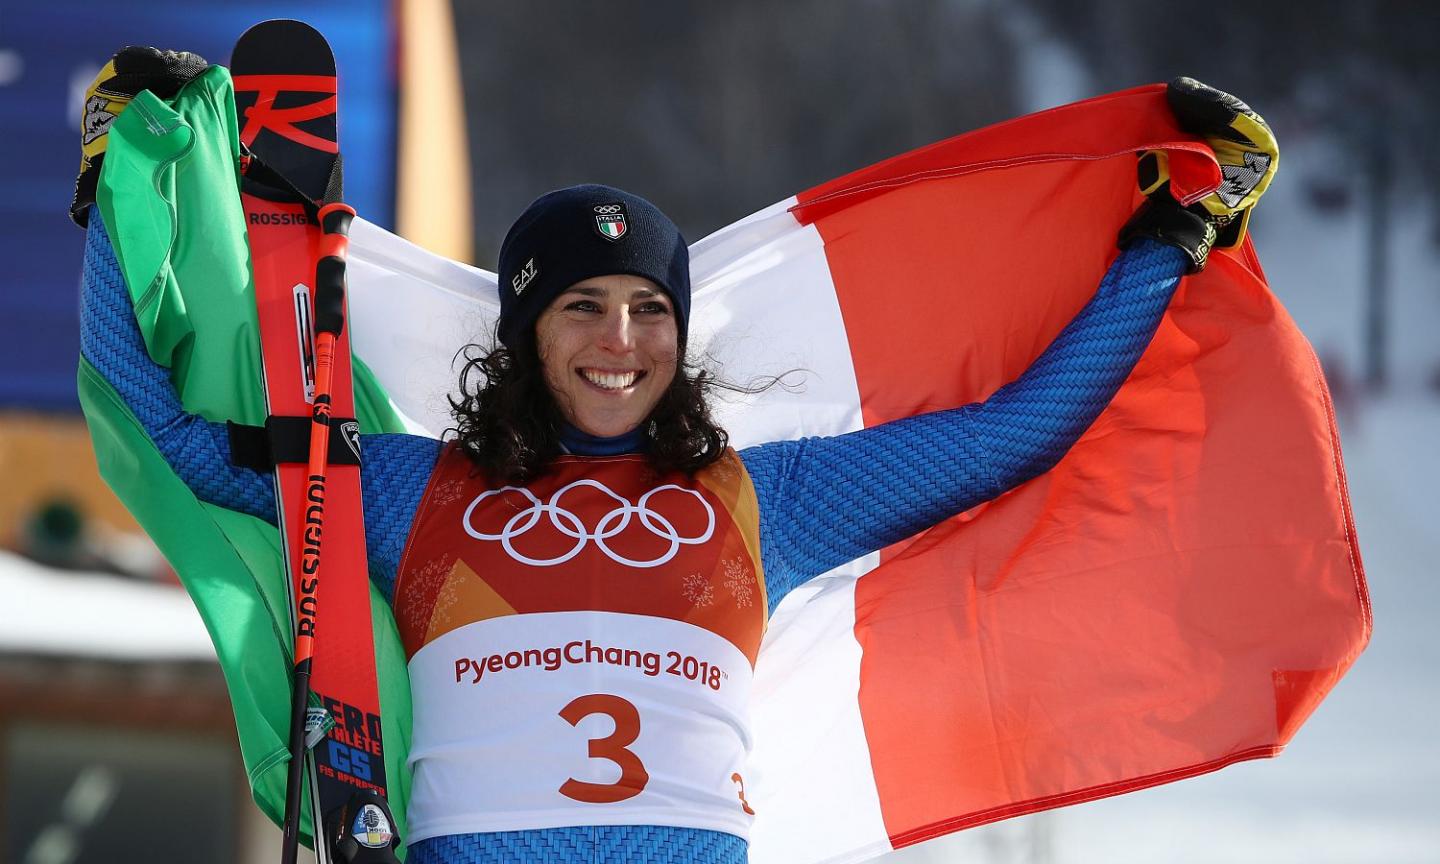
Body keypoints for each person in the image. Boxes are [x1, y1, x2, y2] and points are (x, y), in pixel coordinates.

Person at [76, 52, 1276, 864]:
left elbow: (1019, 431)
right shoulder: (409, 486)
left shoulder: (768, 501)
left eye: (649, 309)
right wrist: (111, 192)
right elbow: (178, 444)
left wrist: (1169, 242)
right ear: (526, 334)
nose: (620, 340)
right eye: (580, 307)